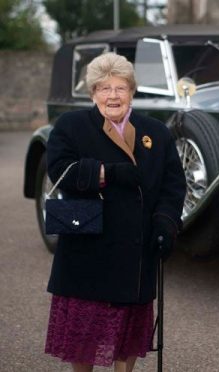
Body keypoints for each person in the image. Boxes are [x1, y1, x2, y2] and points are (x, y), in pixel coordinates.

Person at [44, 52, 186, 372]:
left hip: (136, 250)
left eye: (120, 88)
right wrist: (107, 173)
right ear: (93, 93)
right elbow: (59, 171)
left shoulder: (156, 133)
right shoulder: (71, 126)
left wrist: (166, 221)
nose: (113, 96)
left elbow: (173, 186)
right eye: (104, 88)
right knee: (85, 337)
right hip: (88, 247)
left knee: (127, 336)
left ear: (132, 91)